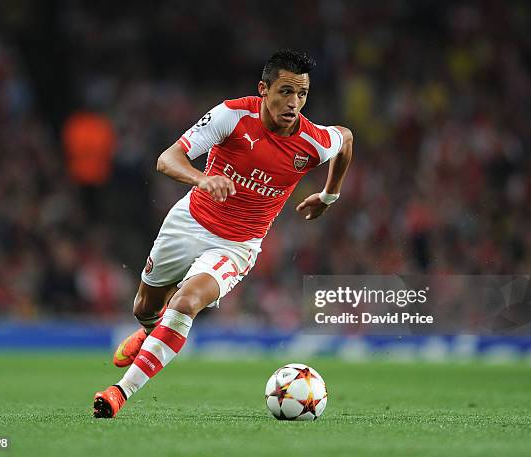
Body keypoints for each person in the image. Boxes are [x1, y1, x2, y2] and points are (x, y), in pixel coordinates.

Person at [93, 49, 354, 418]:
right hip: (189, 221)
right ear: (263, 89)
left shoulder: (313, 141)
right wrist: (204, 178)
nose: (294, 103)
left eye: (302, 94)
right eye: (285, 92)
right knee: (144, 308)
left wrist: (330, 195)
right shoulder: (232, 115)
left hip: (237, 245)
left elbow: (345, 138)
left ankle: (119, 394)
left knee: (185, 304)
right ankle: (149, 332)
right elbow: (167, 159)